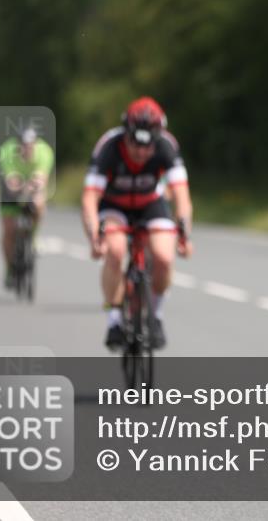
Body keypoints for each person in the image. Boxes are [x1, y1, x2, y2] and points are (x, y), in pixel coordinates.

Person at [81, 97, 193, 350]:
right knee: (115, 250)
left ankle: (155, 316)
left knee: (164, 257)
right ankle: (114, 320)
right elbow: (89, 198)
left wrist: (184, 233)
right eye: (135, 144)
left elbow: (181, 196)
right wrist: (94, 238)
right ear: (126, 134)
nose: (141, 152)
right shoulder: (109, 147)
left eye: (147, 146)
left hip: (150, 203)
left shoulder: (166, 146)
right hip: (114, 205)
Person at [0, 126, 54, 288]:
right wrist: (20, 187)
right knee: (9, 229)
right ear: (17, 144)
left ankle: (34, 238)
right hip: (11, 188)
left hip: (32, 185)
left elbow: (41, 179)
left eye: (30, 145)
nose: (26, 149)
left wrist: (33, 188)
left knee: (38, 203)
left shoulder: (44, 152)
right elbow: (11, 182)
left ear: (35, 144)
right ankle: (9, 268)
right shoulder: (7, 151)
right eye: (23, 145)